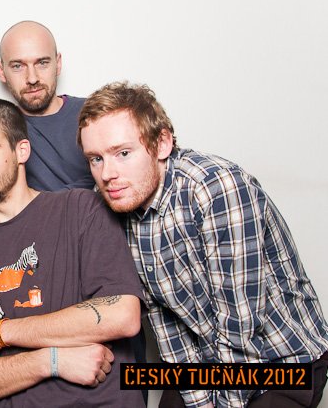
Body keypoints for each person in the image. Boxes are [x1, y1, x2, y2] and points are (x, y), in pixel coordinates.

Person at [78, 82, 328, 408]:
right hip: (204, 360)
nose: (107, 174)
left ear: (162, 143)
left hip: (282, 359)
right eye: (95, 159)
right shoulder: (117, 201)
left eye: (123, 153)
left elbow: (240, 327)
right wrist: (199, 400)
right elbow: (164, 321)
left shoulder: (216, 188)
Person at [0, 98, 145, 407]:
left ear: (22, 151)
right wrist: (50, 361)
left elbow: (122, 315)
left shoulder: (82, 210)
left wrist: (0, 333)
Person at [0, 20, 94, 191]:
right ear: (1, 71)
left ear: (58, 63)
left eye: (42, 63)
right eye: (18, 66)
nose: (32, 78)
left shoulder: (95, 113)